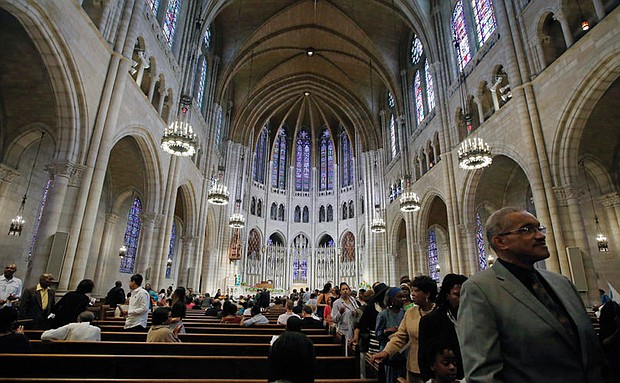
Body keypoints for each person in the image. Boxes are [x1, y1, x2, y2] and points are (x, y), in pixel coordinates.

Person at [457, 207, 603, 383]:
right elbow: (483, 374)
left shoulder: (562, 283)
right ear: (500, 242)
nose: (541, 236)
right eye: (527, 230)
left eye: (539, 228)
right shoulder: (479, 289)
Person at [372, 276, 438, 383]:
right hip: (413, 367)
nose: (412, 294)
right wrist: (386, 352)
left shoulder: (439, 313)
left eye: (416, 291)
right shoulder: (410, 312)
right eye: (412, 290)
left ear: (427, 293)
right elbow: (400, 336)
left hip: (434, 369)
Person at [418, 273, 468, 382]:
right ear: (447, 295)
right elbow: (424, 358)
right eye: (457, 295)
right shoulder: (431, 321)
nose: (463, 299)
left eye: (466, 294)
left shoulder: (476, 319)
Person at [376, 287, 407, 383]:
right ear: (391, 299)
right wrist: (387, 331)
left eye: (403, 297)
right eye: (399, 297)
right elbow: (378, 334)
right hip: (387, 351)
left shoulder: (405, 313)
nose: (402, 299)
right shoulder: (383, 315)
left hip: (402, 352)